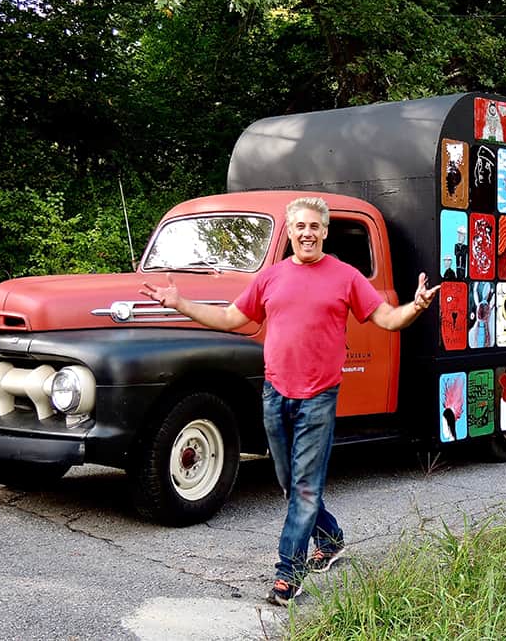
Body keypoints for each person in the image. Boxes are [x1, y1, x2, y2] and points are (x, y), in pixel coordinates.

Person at [141, 196, 439, 607]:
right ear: (291, 230)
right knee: (289, 483)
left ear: (325, 232)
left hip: (318, 398)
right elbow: (231, 318)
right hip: (275, 395)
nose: (307, 233)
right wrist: (180, 304)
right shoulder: (271, 277)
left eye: (315, 226)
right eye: (300, 226)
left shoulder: (346, 276)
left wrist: (415, 306)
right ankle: (331, 537)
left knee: (303, 488)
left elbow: (386, 319)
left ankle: (287, 574)